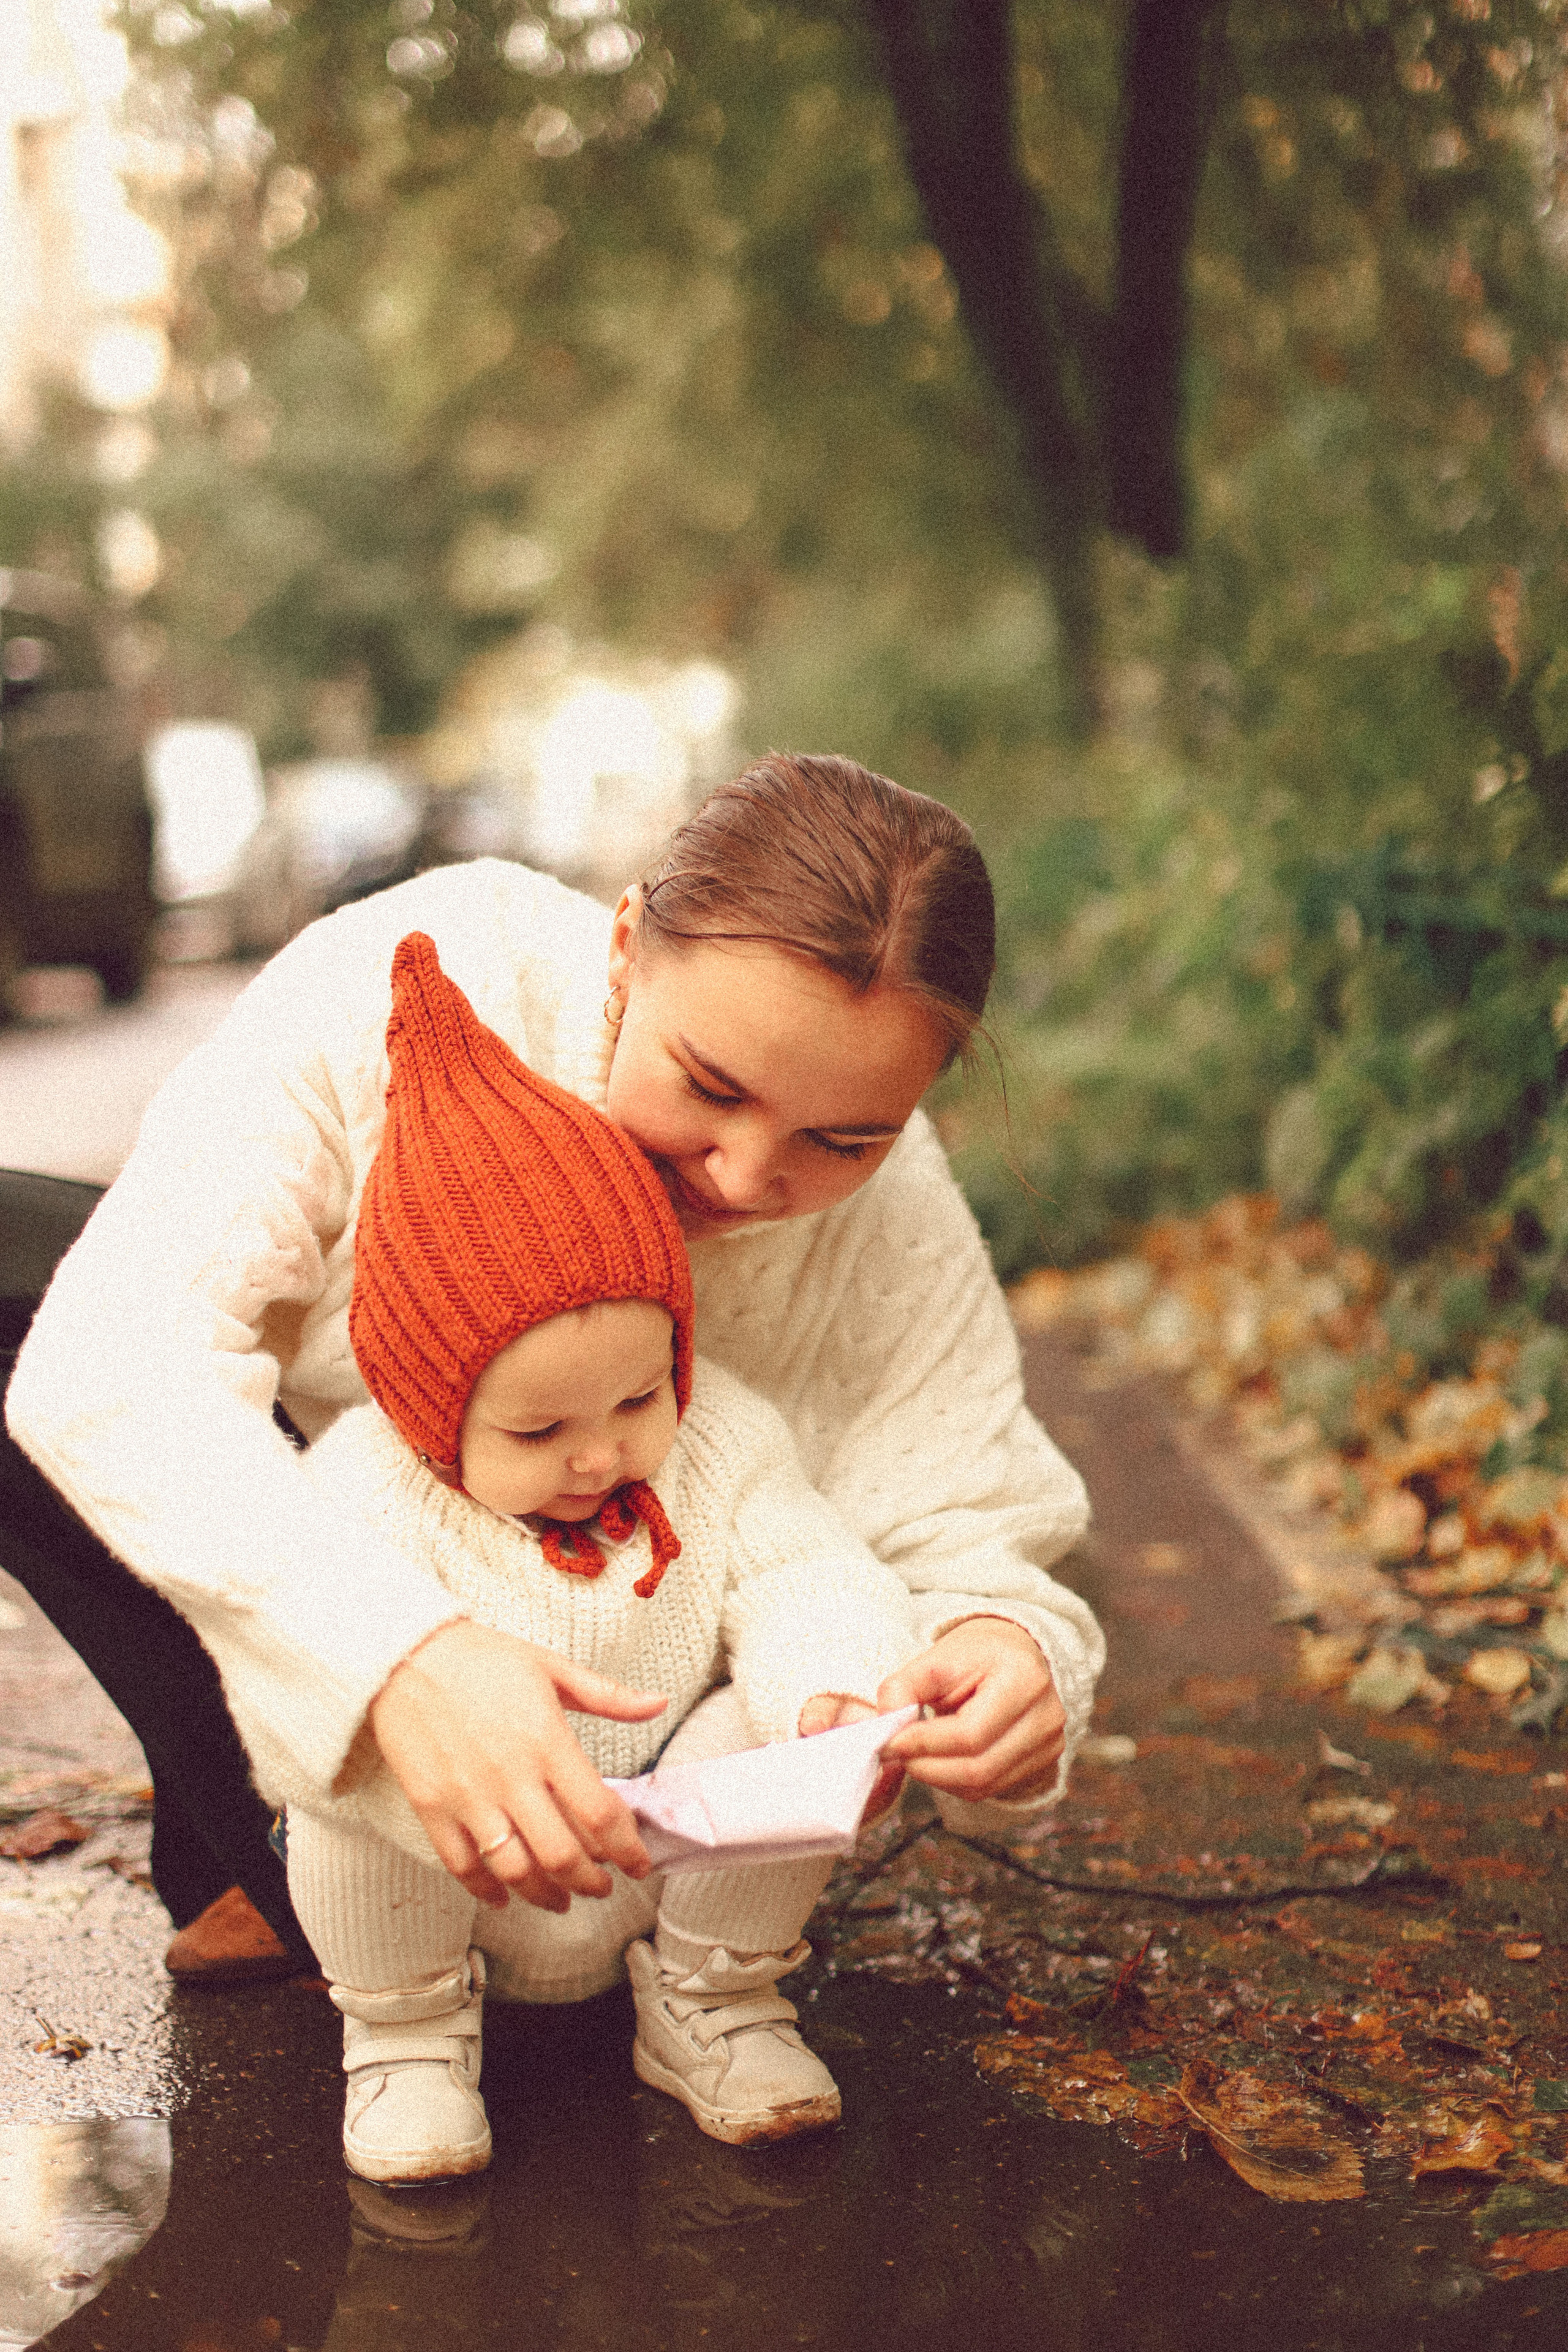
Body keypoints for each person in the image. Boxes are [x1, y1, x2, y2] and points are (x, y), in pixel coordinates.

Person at [3, 752, 1102, 1986]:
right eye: (710, 1086)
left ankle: (592, 1926)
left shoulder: (896, 1207)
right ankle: (262, 1823)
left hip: (651, 1747)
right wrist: (393, 1662)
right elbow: (106, 1363)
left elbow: (963, 1520)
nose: (742, 1179)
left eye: (840, 1138)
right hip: (373, 1553)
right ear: (626, 948)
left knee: (556, 1969)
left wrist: (1007, 1649)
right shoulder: (415, 973)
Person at [273, 929, 925, 2177]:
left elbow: (807, 1571)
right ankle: (404, 2036)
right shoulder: (368, 1484)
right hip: (455, 1865)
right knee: (343, 1762)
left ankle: (715, 2002)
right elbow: (298, 1644)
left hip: (655, 1854)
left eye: (638, 1398)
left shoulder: (717, 1440)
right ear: (426, 1411)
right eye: (537, 1429)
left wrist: (829, 1690)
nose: (598, 1457)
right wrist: (369, 1696)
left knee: (770, 1728)